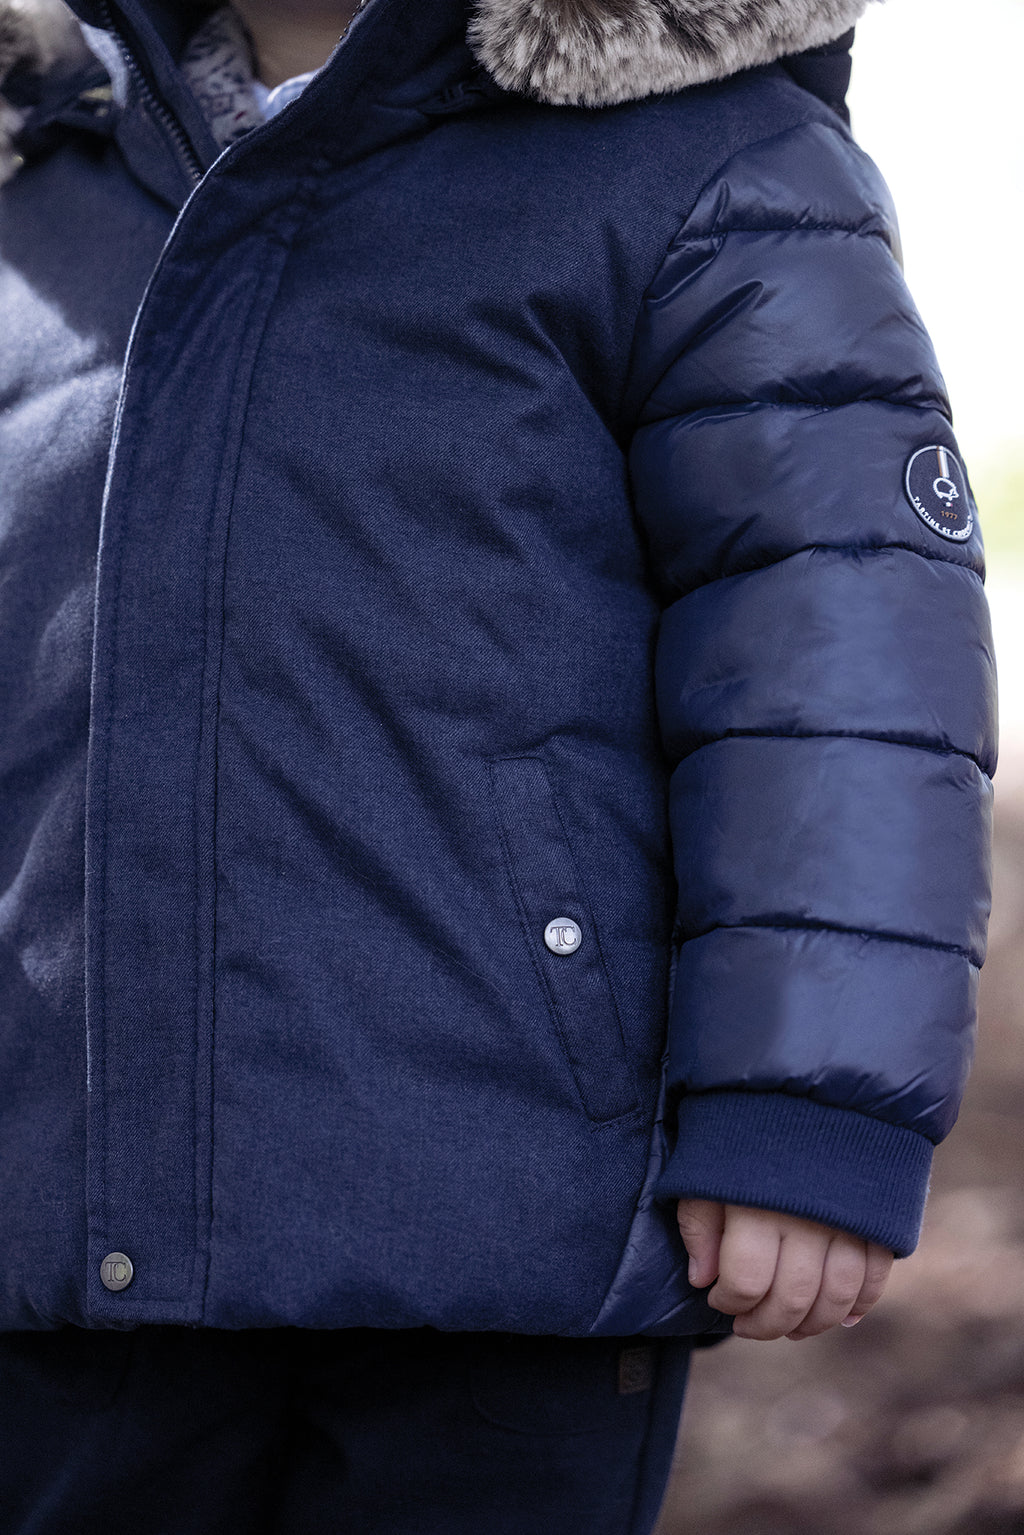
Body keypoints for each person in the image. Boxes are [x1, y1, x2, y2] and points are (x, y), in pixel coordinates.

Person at [0, 0, 997, 1530]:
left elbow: (841, 649)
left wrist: (809, 1100)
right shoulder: (40, 166)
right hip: (68, 1233)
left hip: (498, 1221)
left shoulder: (706, 161)